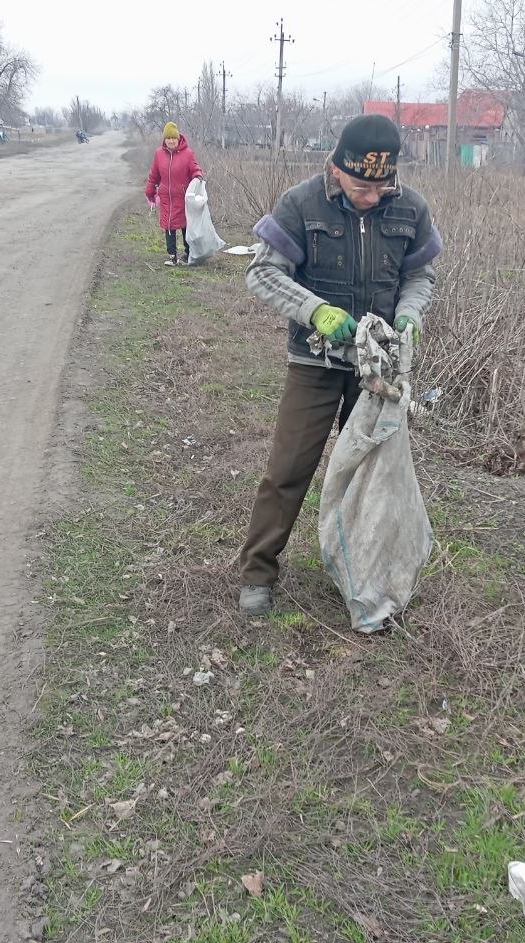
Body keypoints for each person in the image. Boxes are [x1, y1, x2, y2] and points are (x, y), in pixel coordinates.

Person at [236, 114, 442, 616]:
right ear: (335, 167)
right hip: (315, 361)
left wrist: (411, 312)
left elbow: (421, 276)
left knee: (374, 475)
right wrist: (316, 312)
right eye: (359, 186)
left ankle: (365, 575)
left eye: (380, 186)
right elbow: (261, 272)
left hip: (377, 371)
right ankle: (258, 570)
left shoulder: (411, 209)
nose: (370, 197)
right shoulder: (301, 204)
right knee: (288, 469)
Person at [144, 122, 204, 267]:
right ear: (164, 139)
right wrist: (150, 191)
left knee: (185, 227)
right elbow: (154, 175)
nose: (171, 141)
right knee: (169, 226)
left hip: (183, 197)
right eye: (168, 138)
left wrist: (198, 176)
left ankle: (187, 254)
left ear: (178, 138)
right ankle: (172, 256)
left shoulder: (187, 154)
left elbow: (195, 168)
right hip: (166, 197)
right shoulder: (159, 154)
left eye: (173, 138)